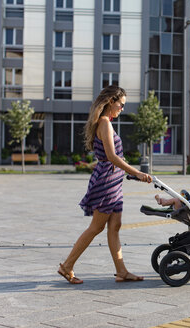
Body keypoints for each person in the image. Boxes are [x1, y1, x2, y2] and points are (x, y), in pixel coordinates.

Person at [58, 85, 152, 284]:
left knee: (115, 226)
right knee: (96, 227)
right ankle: (67, 266)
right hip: (106, 182)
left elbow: (113, 156)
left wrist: (127, 171)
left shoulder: (106, 122)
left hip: (113, 181)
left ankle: (121, 271)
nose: (122, 108)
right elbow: (111, 156)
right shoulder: (104, 123)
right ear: (111, 101)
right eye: (121, 104)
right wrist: (136, 172)